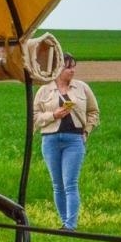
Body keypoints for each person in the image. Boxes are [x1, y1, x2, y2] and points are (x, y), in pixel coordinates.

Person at [32, 53, 100, 231]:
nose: (72, 70)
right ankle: (64, 222)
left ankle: (70, 225)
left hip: (74, 140)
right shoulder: (44, 90)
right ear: (58, 69)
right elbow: (34, 117)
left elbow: (93, 112)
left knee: (70, 182)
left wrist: (86, 132)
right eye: (68, 67)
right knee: (57, 184)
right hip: (50, 139)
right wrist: (53, 115)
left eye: (73, 67)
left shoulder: (82, 88)